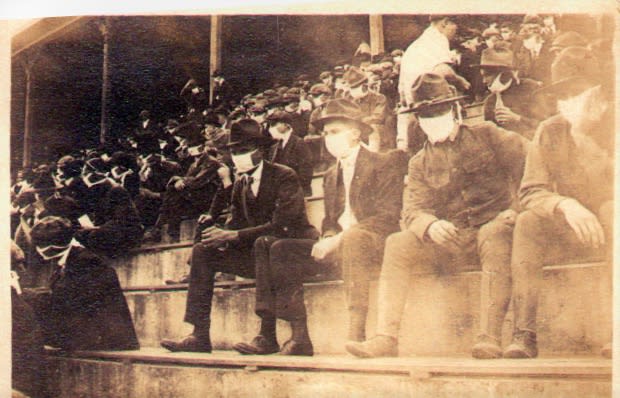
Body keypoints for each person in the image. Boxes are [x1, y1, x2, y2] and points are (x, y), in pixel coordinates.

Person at [345, 73, 528, 359]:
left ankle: (490, 336)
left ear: (455, 110)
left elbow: (530, 171)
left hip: (497, 230)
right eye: (426, 115)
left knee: (494, 232)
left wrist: (515, 210)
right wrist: (429, 225)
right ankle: (386, 337)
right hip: (454, 239)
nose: (434, 120)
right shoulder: (419, 162)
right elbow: (412, 209)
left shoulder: (488, 134)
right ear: (418, 120)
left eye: (440, 111)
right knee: (398, 242)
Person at [233, 99, 405, 357]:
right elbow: (330, 221)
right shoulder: (330, 175)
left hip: (373, 243)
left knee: (355, 238)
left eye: (334, 131)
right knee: (280, 248)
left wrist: (338, 240)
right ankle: (300, 337)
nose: (327, 138)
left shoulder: (383, 163)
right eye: (325, 133)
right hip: (341, 245)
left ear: (356, 133)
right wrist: (328, 235)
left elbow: (387, 217)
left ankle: (356, 334)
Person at [160, 119, 318, 353]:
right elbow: (235, 221)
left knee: (266, 243)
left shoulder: (284, 175)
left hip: (290, 252)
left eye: (243, 150)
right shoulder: (240, 183)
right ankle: (199, 333)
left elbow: (283, 225)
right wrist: (219, 237)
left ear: (261, 150)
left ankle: (267, 335)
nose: (237, 157)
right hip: (259, 253)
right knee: (203, 251)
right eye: (233, 152)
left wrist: (233, 236)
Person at [506, 47, 613, 359]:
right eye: (562, 96)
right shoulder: (550, 129)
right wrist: (564, 204)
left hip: (610, 225)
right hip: (572, 228)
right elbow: (531, 191)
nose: (568, 103)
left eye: (577, 92)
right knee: (528, 221)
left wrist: (585, 138)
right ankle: (523, 333)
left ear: (600, 92)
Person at [29, 216, 140, 351]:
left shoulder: (86, 261)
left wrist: (35, 296)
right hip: (90, 326)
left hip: (104, 335)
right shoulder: (71, 258)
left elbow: (73, 300)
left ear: (50, 247)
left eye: (39, 245)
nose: (37, 250)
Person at [397, 15, 471, 153]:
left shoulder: (415, 45)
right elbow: (442, 70)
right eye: (455, 26)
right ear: (445, 23)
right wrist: (460, 80)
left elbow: (401, 94)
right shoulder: (437, 39)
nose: (456, 30)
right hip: (434, 108)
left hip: (414, 109)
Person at [480, 43, 545, 139]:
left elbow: (546, 124)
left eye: (487, 75)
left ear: (504, 74)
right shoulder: (490, 102)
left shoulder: (531, 88)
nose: (484, 81)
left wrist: (517, 119)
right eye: (482, 76)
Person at [266, 110, 314, 196]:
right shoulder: (273, 148)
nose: (270, 128)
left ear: (286, 125)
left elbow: (306, 173)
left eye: (274, 124)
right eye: (270, 125)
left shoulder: (299, 143)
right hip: (281, 195)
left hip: (299, 194)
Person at [343, 66, 388, 152]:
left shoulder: (379, 98)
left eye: (355, 87)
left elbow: (378, 117)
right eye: (351, 88)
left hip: (374, 133)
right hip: (356, 132)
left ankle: (373, 154)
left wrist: (359, 120)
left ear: (365, 86)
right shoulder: (349, 99)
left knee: (373, 127)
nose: (353, 91)